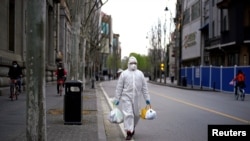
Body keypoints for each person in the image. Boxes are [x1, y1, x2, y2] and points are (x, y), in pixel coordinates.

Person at [113, 56, 151, 140]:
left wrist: (147, 98)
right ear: (128, 64)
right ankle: (129, 132)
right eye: (131, 63)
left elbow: (144, 87)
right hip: (126, 97)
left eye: (135, 63)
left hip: (137, 98)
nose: (133, 65)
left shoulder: (140, 74)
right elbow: (119, 87)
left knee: (137, 115)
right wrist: (117, 99)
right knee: (128, 114)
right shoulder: (124, 74)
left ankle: (132, 126)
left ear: (137, 64)